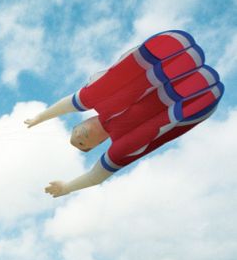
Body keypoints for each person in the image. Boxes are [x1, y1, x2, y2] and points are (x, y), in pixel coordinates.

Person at [24, 30, 223, 198]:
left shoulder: (95, 97)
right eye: (82, 144)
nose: (78, 137)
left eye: (74, 133)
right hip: (183, 97)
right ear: (98, 145)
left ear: (82, 121)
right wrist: (67, 187)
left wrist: (39, 117)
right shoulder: (121, 146)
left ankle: (165, 67)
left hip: (159, 71)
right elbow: (97, 175)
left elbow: (69, 103)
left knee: (97, 89)